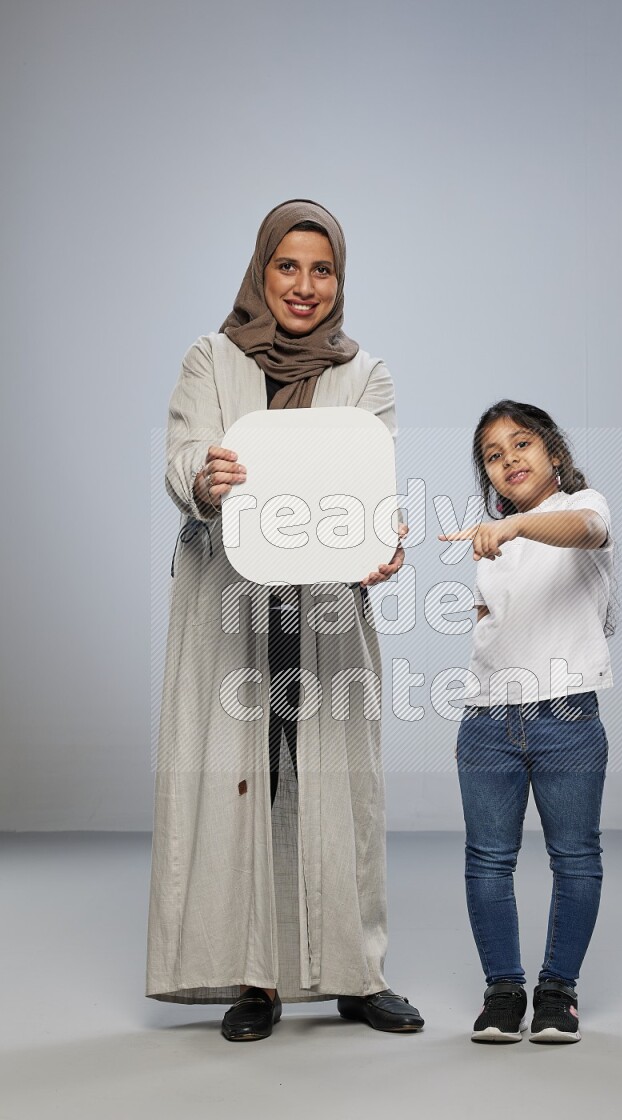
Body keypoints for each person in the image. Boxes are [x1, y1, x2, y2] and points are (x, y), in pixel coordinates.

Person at [147, 199, 423, 1040]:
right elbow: (181, 457)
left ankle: (354, 973)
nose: (305, 286)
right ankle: (256, 980)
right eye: (288, 266)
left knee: (337, 781)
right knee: (247, 776)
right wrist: (207, 474)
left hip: (328, 600)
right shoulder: (212, 357)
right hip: (231, 596)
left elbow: (372, 483)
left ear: (340, 281)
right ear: (262, 270)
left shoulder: (364, 373)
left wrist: (385, 540)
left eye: (323, 269)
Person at [440, 401, 614, 1045]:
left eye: (522, 444)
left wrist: (515, 530)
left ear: (555, 455)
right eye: (494, 455)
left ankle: (558, 992)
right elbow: (495, 629)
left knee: (574, 858)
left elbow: (585, 531)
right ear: (488, 476)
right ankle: (503, 992)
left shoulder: (585, 505)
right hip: (488, 720)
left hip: (566, 715)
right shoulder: (488, 544)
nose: (510, 459)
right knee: (488, 860)